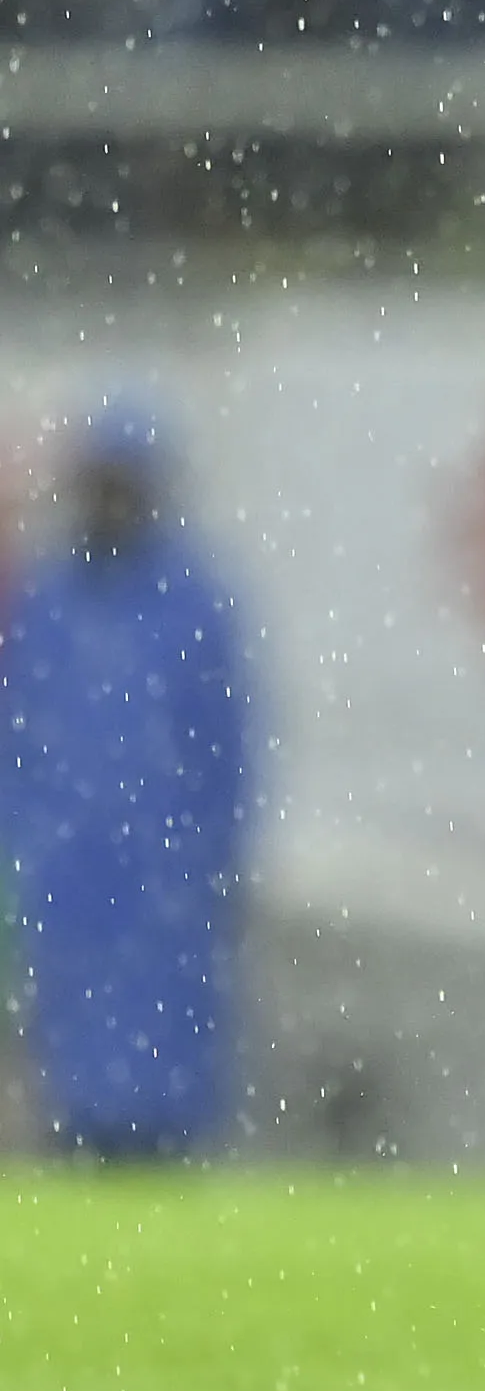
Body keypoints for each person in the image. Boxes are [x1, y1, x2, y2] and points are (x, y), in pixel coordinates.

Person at [0, 405, 250, 1158]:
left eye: (123, 482)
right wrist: (26, 851)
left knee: (168, 1078)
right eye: (98, 482)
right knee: (74, 1082)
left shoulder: (195, 602)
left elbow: (227, 748)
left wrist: (212, 859)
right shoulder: (49, 601)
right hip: (69, 885)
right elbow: (17, 737)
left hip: (165, 890)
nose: (110, 500)